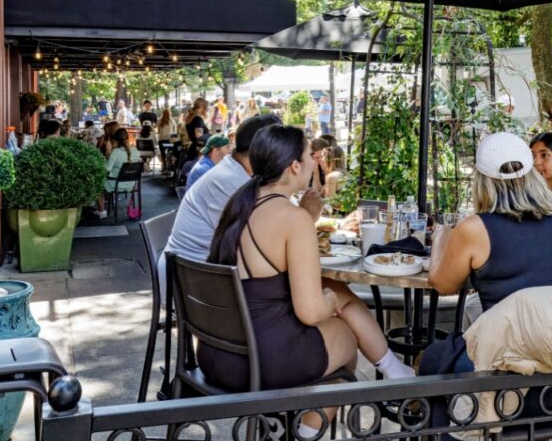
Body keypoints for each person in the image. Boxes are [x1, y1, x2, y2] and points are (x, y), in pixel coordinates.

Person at [201, 125, 413, 413]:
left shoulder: (239, 204)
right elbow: (310, 312)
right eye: (310, 154)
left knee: (337, 293)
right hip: (257, 360)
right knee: (344, 337)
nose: (316, 160)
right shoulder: (291, 217)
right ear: (294, 166)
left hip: (218, 353)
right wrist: (332, 300)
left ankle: (396, 374)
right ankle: (312, 429)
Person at [423, 133, 552, 374]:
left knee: (429, 358)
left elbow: (443, 285)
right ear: (531, 174)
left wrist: (441, 238)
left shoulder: (475, 228)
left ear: (482, 180)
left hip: (508, 364)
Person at [164, 114, 284, 269]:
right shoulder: (233, 181)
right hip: (194, 276)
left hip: (197, 268)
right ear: (266, 150)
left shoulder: (234, 170)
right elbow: (265, 239)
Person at [101, 128, 140, 219]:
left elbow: (106, 169)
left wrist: (104, 160)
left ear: (114, 140)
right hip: (132, 185)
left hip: (116, 185)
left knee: (98, 183)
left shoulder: (115, 152)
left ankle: (101, 211)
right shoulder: (135, 151)